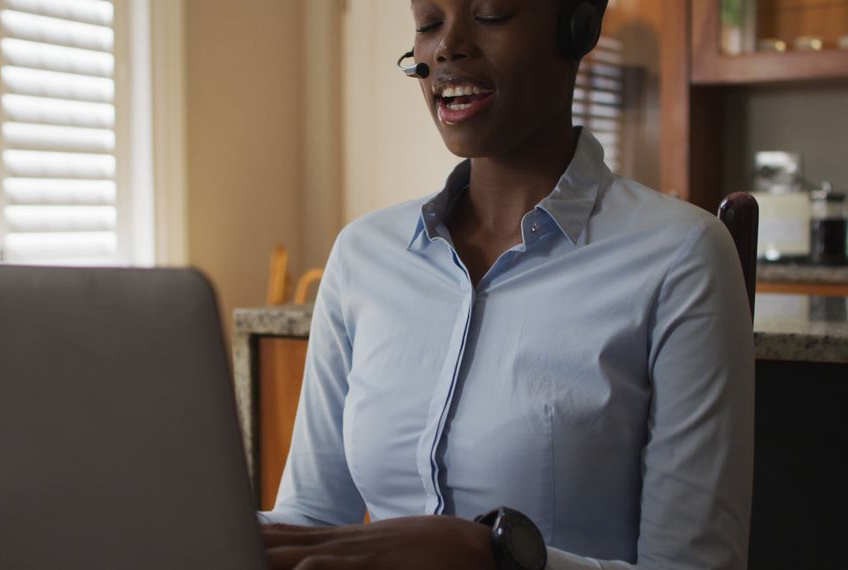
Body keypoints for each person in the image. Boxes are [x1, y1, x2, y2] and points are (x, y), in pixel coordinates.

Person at [259, 0, 754, 568]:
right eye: (428, 25)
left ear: (578, 27)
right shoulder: (363, 255)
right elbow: (312, 519)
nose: (446, 46)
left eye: (491, 14)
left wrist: (494, 558)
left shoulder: (681, 258)